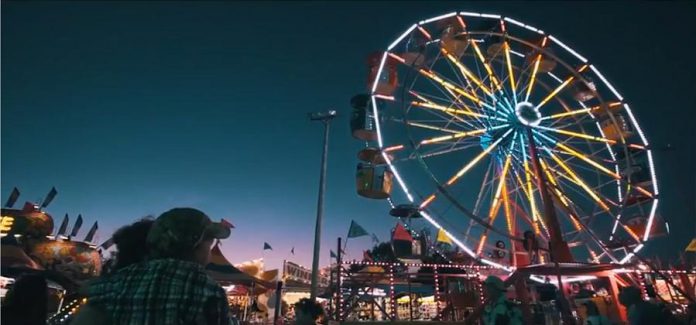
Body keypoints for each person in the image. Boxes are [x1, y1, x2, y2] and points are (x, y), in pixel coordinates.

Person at [74, 207, 231, 325]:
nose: (210, 254)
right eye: (208, 245)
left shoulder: (117, 281)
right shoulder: (205, 289)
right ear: (195, 245)